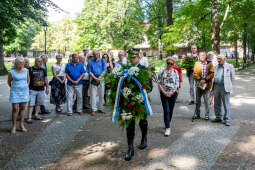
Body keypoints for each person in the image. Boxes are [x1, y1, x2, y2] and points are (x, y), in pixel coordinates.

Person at [123, 48, 152, 161]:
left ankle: (144, 138)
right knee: (129, 125)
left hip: (140, 101)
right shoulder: (125, 69)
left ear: (139, 58)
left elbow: (149, 86)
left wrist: (138, 94)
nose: (132, 59)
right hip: (128, 102)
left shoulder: (144, 69)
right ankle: (130, 148)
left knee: (142, 122)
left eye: (134, 57)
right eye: (130, 57)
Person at [8, 57, 30, 134]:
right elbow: (9, 82)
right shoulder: (11, 72)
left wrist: (25, 88)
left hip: (24, 92)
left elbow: (28, 80)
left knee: (23, 108)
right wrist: (14, 89)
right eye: (20, 62)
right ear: (16, 63)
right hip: (15, 92)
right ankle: (14, 126)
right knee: (15, 108)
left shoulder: (26, 70)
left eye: (22, 62)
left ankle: (21, 125)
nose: (22, 64)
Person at [211, 55, 235, 126]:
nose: (218, 60)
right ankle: (218, 117)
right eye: (217, 59)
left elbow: (232, 77)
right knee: (217, 103)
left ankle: (227, 119)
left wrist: (228, 85)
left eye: (220, 59)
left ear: (224, 59)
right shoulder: (216, 66)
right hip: (216, 86)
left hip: (225, 87)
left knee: (226, 104)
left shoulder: (229, 66)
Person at [158, 58, 179, 136]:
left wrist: (172, 92)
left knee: (170, 110)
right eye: (168, 63)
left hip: (173, 93)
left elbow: (177, 83)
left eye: (171, 64)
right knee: (166, 110)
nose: (169, 65)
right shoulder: (161, 71)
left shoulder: (175, 72)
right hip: (164, 94)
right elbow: (159, 83)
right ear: (166, 63)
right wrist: (164, 92)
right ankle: (168, 128)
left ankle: (167, 123)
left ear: (173, 64)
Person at [192, 52, 214, 120]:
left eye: (203, 55)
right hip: (199, 84)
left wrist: (205, 80)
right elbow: (194, 73)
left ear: (206, 56)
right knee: (197, 100)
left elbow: (212, 73)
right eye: (200, 55)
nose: (202, 56)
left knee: (206, 100)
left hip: (207, 84)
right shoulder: (197, 63)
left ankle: (207, 114)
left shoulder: (210, 64)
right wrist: (200, 79)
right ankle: (197, 114)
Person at [27, 58, 49, 123]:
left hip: (41, 89)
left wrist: (47, 88)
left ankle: (36, 114)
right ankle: (29, 117)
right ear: (35, 62)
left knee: (38, 103)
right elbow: (27, 80)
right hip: (32, 89)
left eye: (41, 62)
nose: (40, 63)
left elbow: (46, 79)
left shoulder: (43, 69)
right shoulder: (30, 69)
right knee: (31, 104)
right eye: (39, 62)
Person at [87, 49, 107, 115]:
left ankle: (100, 108)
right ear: (92, 55)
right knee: (93, 95)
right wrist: (95, 78)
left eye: (97, 54)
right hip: (93, 78)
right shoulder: (90, 62)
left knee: (101, 94)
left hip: (101, 78)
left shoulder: (102, 60)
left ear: (99, 54)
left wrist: (99, 78)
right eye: (94, 54)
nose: (96, 55)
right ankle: (94, 109)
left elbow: (104, 70)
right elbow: (89, 71)